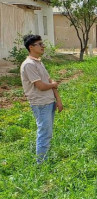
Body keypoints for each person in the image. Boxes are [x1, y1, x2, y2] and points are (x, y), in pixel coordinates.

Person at [20, 34, 63, 163]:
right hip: (40, 104)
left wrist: (58, 100)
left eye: (42, 43)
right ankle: (41, 164)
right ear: (31, 47)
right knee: (44, 133)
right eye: (40, 44)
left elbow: (49, 81)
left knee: (47, 133)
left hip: (48, 102)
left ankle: (44, 159)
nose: (43, 46)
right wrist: (53, 85)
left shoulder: (38, 62)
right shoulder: (29, 65)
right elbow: (41, 86)